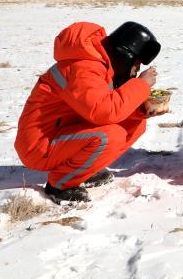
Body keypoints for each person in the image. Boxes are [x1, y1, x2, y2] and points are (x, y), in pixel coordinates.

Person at [16, 21, 161, 203]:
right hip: (39, 146)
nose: (136, 70)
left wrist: (140, 111)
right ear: (125, 56)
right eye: (136, 63)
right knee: (111, 135)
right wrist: (140, 85)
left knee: (135, 124)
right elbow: (105, 111)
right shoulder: (83, 69)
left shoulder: (100, 65)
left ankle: (83, 170)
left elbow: (101, 109)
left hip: (60, 135)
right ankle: (60, 184)